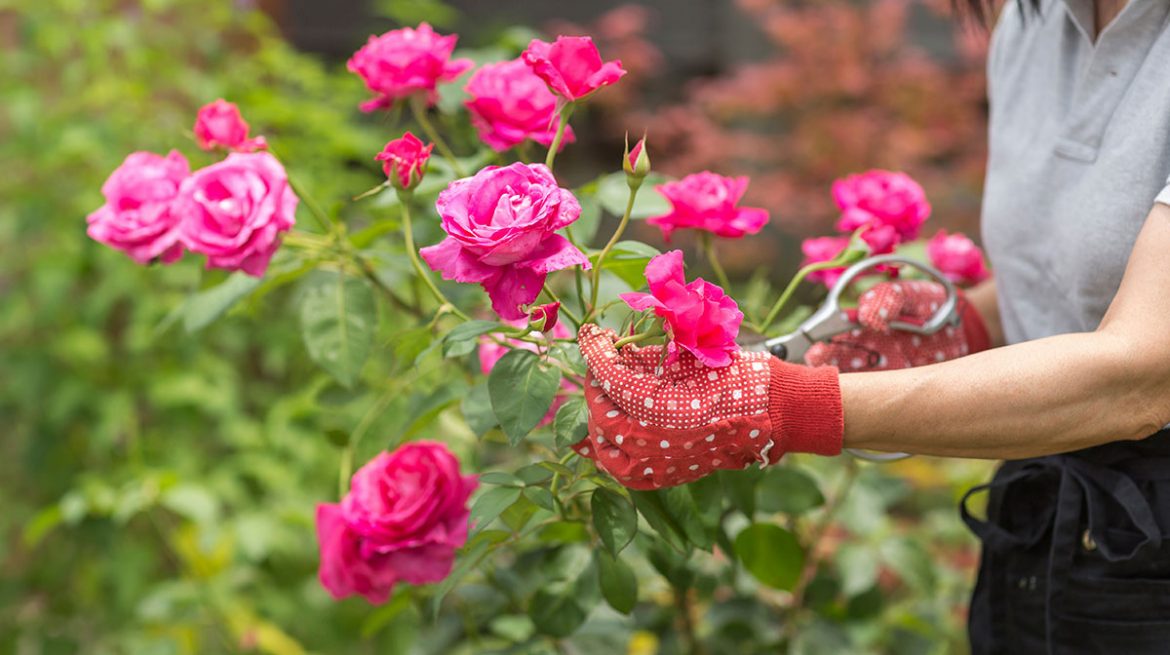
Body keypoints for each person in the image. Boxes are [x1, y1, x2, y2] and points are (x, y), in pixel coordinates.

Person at [574, 0, 1170, 652]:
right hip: (1043, 519)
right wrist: (961, 320)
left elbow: (1140, 375)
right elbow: (1080, 280)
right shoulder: (1033, 20)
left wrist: (780, 404)